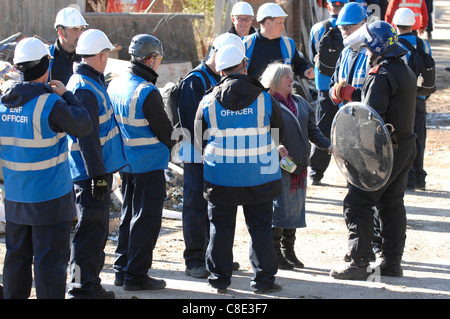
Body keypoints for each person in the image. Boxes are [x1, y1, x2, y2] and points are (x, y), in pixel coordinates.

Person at [0, 37, 92, 298]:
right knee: (50, 264)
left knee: (16, 261)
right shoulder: (51, 104)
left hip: (16, 201)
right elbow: (84, 125)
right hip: (50, 201)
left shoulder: (3, 106)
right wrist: (66, 94)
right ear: (46, 65)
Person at [194, 44, 287, 294]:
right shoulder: (264, 98)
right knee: (260, 228)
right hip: (260, 176)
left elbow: (197, 140)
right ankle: (263, 281)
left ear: (220, 70)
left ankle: (219, 280)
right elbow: (279, 132)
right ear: (244, 66)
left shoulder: (207, 101)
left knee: (220, 228)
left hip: (220, 178)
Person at [330, 21, 417, 280]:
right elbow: (381, 100)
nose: (366, 53)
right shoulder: (403, 69)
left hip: (383, 148)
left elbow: (370, 117)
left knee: (358, 202)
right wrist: (352, 93)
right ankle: (391, 261)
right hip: (405, 145)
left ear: (377, 47)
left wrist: (354, 151)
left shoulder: (379, 74)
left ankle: (358, 262)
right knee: (391, 203)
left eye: (368, 48)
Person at [108, 34, 173, 291]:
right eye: (157, 59)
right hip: (149, 165)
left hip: (126, 165)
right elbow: (166, 133)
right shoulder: (146, 91)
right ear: (150, 59)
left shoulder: (116, 84)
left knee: (128, 217)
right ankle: (136, 275)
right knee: (146, 221)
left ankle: (121, 270)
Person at [66, 29, 128, 299]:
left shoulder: (89, 81)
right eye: (107, 54)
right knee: (89, 234)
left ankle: (86, 283)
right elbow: (88, 139)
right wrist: (99, 177)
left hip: (91, 171)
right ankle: (81, 286)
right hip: (90, 172)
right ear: (101, 56)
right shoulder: (85, 88)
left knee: (92, 232)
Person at [178, 33, 242, 279]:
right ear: (214, 52)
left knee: (217, 206)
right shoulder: (195, 81)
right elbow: (189, 124)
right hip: (197, 155)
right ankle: (194, 260)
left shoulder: (221, 77)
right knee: (196, 206)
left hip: (217, 154)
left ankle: (214, 255)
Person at [260, 62, 331, 270]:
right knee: (279, 208)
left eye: (292, 76)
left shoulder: (301, 102)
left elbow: (313, 130)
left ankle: (288, 250)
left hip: (297, 167)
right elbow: (262, 129)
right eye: (287, 77)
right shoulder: (266, 103)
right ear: (274, 81)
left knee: (295, 209)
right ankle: (274, 251)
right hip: (276, 165)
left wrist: (327, 146)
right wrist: (275, 145)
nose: (292, 80)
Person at [310, 1, 368, 185]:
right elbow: (335, 78)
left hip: (365, 116)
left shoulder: (372, 51)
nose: (345, 33)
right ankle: (320, 172)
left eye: (349, 28)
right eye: (342, 29)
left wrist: (354, 94)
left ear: (364, 23)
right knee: (330, 134)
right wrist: (335, 91)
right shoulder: (344, 53)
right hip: (345, 112)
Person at [308, 0, 348, 186]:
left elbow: (313, 55)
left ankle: (316, 172)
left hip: (324, 84)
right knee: (351, 129)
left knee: (322, 128)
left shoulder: (318, 28)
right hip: (347, 86)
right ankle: (353, 171)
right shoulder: (354, 28)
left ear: (329, 5)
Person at [393, 8, 433, 190]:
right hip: (419, 97)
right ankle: (419, 178)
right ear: (413, 25)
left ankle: (405, 179)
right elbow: (429, 71)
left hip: (400, 99)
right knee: (419, 138)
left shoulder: (393, 45)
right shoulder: (423, 45)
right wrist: (425, 95)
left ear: (395, 24)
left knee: (400, 139)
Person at [243, 2, 314, 80]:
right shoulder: (245, 44)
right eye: (280, 22)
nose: (283, 26)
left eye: (283, 22)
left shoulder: (288, 44)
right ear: (268, 23)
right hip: (253, 92)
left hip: (280, 92)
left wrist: (305, 71)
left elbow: (298, 64)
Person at [49, 6, 88, 85]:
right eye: (75, 29)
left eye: (81, 29)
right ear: (61, 32)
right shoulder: (47, 59)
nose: (80, 35)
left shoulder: (87, 57)